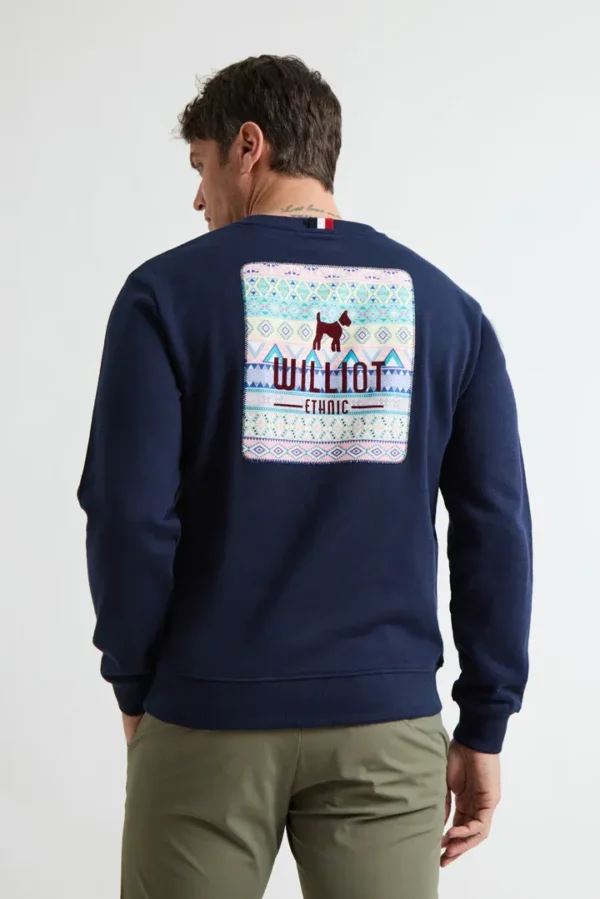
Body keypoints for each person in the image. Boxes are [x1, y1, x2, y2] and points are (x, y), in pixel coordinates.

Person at [78, 55, 532, 899]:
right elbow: (495, 526)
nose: (198, 198)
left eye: (201, 165)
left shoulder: (165, 296)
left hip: (206, 716)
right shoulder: (447, 310)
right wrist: (486, 720)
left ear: (248, 148)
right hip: (385, 726)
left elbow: (127, 513)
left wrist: (136, 683)